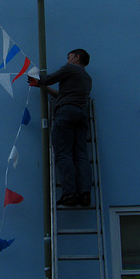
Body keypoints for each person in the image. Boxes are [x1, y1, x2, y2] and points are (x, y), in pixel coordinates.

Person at [29, 49, 92, 207]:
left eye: (69, 57)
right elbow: (63, 94)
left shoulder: (70, 68)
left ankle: (70, 193)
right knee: (81, 156)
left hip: (66, 113)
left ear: (77, 57)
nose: (67, 60)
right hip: (81, 114)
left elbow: (49, 79)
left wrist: (33, 77)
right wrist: (42, 87)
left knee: (64, 154)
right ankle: (85, 193)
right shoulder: (87, 78)